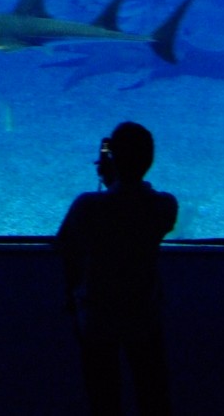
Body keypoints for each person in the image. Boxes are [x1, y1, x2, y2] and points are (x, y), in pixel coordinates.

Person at [55, 122, 177, 416]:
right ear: (151, 160)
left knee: (102, 390)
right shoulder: (165, 205)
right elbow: (134, 208)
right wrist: (119, 178)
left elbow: (65, 245)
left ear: (111, 160)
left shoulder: (87, 205)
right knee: (151, 386)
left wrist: (71, 297)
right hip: (143, 308)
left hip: (98, 310)